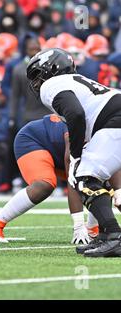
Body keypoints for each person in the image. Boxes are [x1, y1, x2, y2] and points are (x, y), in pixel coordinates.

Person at [26, 48, 121, 258]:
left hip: (115, 119)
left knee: (84, 178)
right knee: (95, 177)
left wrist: (76, 155)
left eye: (37, 75)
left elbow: (75, 114)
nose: (36, 82)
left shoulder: (52, 85)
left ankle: (114, 236)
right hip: (113, 117)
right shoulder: (75, 80)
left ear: (52, 68)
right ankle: (106, 235)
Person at [0, 114, 105, 244]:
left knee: (101, 180)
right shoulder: (83, 122)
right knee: (45, 184)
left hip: (59, 149)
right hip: (34, 140)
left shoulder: (109, 130)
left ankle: (93, 229)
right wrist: (78, 226)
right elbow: (72, 174)